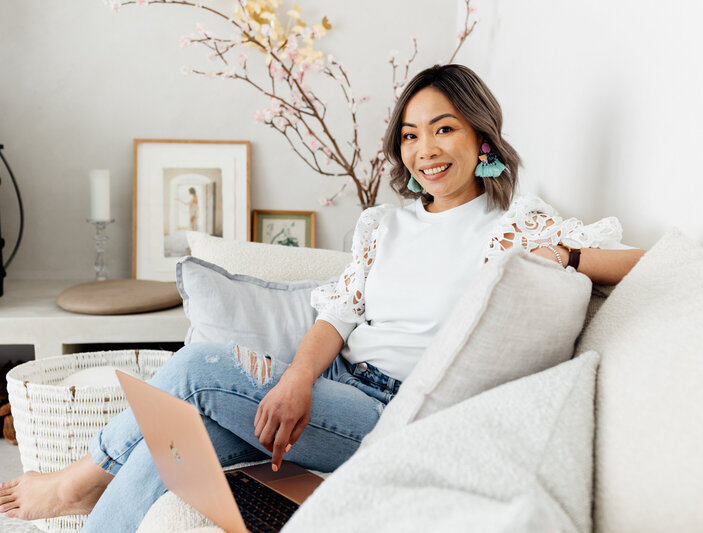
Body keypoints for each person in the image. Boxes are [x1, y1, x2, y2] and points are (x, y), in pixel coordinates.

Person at [0, 64, 645, 530]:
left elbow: (642, 260)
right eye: (411, 135)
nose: (425, 150)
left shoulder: (513, 226)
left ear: (481, 139)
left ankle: (76, 481)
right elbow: (336, 316)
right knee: (170, 446)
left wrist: (567, 256)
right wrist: (298, 380)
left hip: (398, 415)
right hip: (337, 384)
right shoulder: (385, 227)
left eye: (444, 129)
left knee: (199, 370)